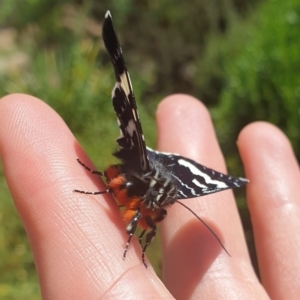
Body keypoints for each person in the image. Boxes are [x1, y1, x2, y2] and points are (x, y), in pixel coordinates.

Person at [0, 93, 299, 299]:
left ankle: (135, 237)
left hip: (163, 168)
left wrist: (141, 244)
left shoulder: (167, 199)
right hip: (143, 165)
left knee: (149, 211)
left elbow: (152, 214)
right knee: (122, 181)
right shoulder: (146, 183)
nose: (158, 208)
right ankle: (97, 186)